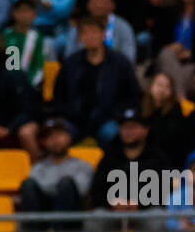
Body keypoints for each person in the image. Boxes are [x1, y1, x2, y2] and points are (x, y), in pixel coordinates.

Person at [54, 15, 140, 145]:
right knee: (56, 137)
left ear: (103, 35)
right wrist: (67, 114)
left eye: (94, 32)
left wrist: (116, 115)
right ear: (80, 38)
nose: (90, 36)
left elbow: (133, 95)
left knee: (111, 133)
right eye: (85, 33)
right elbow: (59, 95)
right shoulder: (70, 63)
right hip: (75, 120)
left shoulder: (120, 63)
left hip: (109, 119)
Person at [17, 117, 94, 232]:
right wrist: (57, 187)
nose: (55, 140)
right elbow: (35, 190)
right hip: (43, 214)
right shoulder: (38, 167)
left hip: (71, 220)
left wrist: (55, 186)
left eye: (59, 135)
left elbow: (81, 190)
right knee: (28, 184)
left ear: (69, 137)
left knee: (66, 184)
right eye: (49, 137)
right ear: (44, 142)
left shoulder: (83, 166)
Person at [142, 71, 192, 169]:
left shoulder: (176, 110)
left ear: (172, 91)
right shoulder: (142, 107)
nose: (162, 89)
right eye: (159, 85)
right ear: (151, 86)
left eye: (167, 86)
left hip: (170, 160)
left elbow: (171, 139)